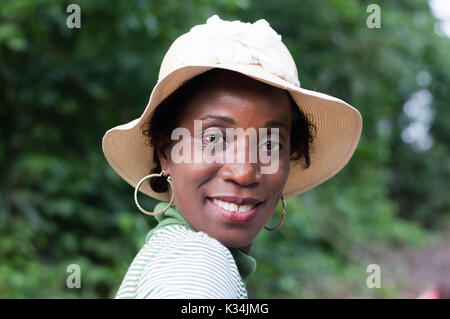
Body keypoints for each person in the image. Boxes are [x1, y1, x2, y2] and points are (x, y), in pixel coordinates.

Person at [102, 15, 362, 299]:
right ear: (167, 153)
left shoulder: (170, 253)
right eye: (213, 138)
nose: (244, 172)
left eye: (270, 144)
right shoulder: (197, 265)